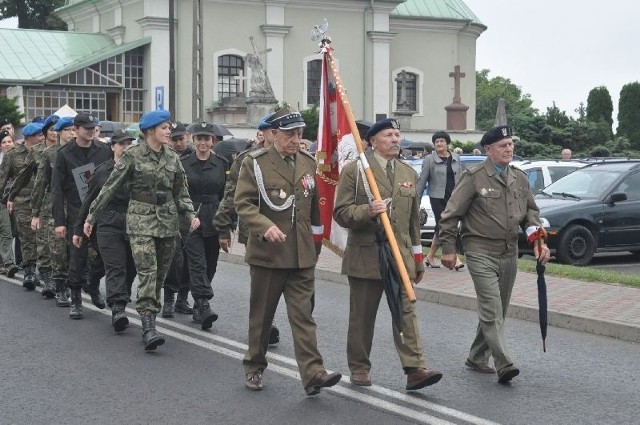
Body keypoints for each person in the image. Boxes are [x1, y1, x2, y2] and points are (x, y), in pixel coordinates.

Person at [234, 107, 341, 395]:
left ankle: (313, 373)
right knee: (262, 317)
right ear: (271, 134)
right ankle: (254, 367)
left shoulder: (307, 162)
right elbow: (243, 204)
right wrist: (263, 226)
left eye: (299, 134)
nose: (296, 139)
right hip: (269, 254)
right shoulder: (255, 163)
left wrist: (315, 248)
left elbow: (313, 211)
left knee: (303, 316)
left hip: (301, 254)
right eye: (289, 134)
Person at [333, 118, 443, 391]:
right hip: (366, 254)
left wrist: (418, 258)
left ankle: (414, 368)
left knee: (406, 312)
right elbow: (340, 213)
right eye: (389, 135)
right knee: (363, 316)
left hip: (400, 255)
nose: (395, 139)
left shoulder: (407, 172)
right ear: (372, 141)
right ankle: (359, 367)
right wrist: (366, 212)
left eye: (397, 134)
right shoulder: (356, 171)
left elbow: (412, 223)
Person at [438, 125, 550, 384]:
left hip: (509, 252)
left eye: (510, 144)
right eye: (502, 145)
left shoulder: (519, 178)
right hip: (479, 251)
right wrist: (448, 250)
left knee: (499, 309)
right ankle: (504, 362)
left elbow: (531, 214)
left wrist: (538, 240)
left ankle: (477, 356)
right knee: (491, 308)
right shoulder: (474, 176)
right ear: (488, 149)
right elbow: (450, 215)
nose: (508, 148)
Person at [84, 110, 199, 351]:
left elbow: (181, 191)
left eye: (169, 127)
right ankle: (148, 326)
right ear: (149, 131)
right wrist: (92, 216)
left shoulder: (172, 158)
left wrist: (190, 214)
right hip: (140, 220)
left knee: (160, 275)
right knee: (147, 270)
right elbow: (109, 187)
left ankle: (149, 313)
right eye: (164, 128)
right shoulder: (133, 156)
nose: (169, 131)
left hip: (167, 221)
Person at [213, 112, 281, 345]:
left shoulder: (293, 158)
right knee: (262, 279)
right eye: (275, 131)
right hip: (255, 229)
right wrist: (223, 228)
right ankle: (264, 324)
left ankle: (268, 320)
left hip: (286, 232)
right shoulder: (247, 159)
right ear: (265, 134)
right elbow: (231, 195)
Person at [74, 129, 137, 332]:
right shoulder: (101, 171)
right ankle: (118, 307)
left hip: (133, 223)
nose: (126, 148)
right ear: (113, 147)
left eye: (129, 144)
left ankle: (95, 284)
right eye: (121, 144)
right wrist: (79, 228)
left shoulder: (139, 170)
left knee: (131, 266)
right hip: (107, 223)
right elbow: (88, 201)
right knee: (116, 266)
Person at [52, 112, 112, 318]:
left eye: (93, 127)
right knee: (77, 258)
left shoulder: (104, 151)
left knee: (106, 255)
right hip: (77, 212)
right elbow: (57, 189)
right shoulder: (64, 154)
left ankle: (93, 284)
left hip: (101, 212)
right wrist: (59, 222)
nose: (90, 131)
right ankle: (76, 299)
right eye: (85, 127)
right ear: (75, 129)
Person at [179, 122, 228, 329]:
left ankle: (196, 300)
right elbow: (178, 192)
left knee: (210, 264)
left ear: (212, 141)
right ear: (193, 140)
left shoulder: (222, 163)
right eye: (199, 138)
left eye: (206, 139)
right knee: (197, 262)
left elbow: (226, 197)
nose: (203, 143)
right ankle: (203, 303)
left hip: (214, 216)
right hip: (190, 216)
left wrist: (225, 228)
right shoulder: (183, 162)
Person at [10, 114, 60, 297]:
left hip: (63, 202)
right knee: (40, 241)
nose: (56, 133)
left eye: (59, 129)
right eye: (52, 129)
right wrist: (9, 196)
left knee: (59, 243)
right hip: (39, 201)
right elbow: (23, 177)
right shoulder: (38, 152)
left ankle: (63, 279)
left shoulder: (68, 151)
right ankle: (42, 276)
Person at [32, 116, 75, 307]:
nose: (72, 133)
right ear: (59, 132)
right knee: (57, 250)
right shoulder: (49, 154)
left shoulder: (80, 154)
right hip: (54, 205)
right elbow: (40, 183)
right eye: (68, 130)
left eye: (75, 129)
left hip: (75, 206)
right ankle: (60, 287)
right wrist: (35, 213)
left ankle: (75, 283)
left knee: (77, 249)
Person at [0, 122, 44, 290]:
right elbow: (3, 178)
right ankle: (30, 271)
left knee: (43, 239)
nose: (42, 138)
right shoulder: (13, 155)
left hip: (42, 201)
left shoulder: (43, 152)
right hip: (22, 202)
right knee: (27, 239)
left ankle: (46, 271)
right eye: (40, 135)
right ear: (30, 137)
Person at [416, 131, 464, 270]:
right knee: (444, 225)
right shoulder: (429, 159)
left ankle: (430, 256)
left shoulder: (456, 157)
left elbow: (460, 178)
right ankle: (455, 258)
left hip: (453, 197)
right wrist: (417, 201)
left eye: (442, 141)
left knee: (441, 227)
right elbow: (422, 181)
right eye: (436, 142)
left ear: (447, 143)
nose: (439, 144)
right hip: (437, 197)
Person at [161, 121, 194, 317]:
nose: (178, 143)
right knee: (172, 260)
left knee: (189, 261)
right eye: (174, 139)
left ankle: (183, 297)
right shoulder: (165, 158)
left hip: (189, 214)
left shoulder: (193, 158)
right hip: (169, 214)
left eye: (181, 139)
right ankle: (168, 299)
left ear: (187, 137)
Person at [0, 130, 18, 277]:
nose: (7, 144)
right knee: (6, 231)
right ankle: (8, 263)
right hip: (1, 201)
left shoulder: (19, 157)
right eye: (4, 142)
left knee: (13, 231)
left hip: (16, 200)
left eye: (9, 141)